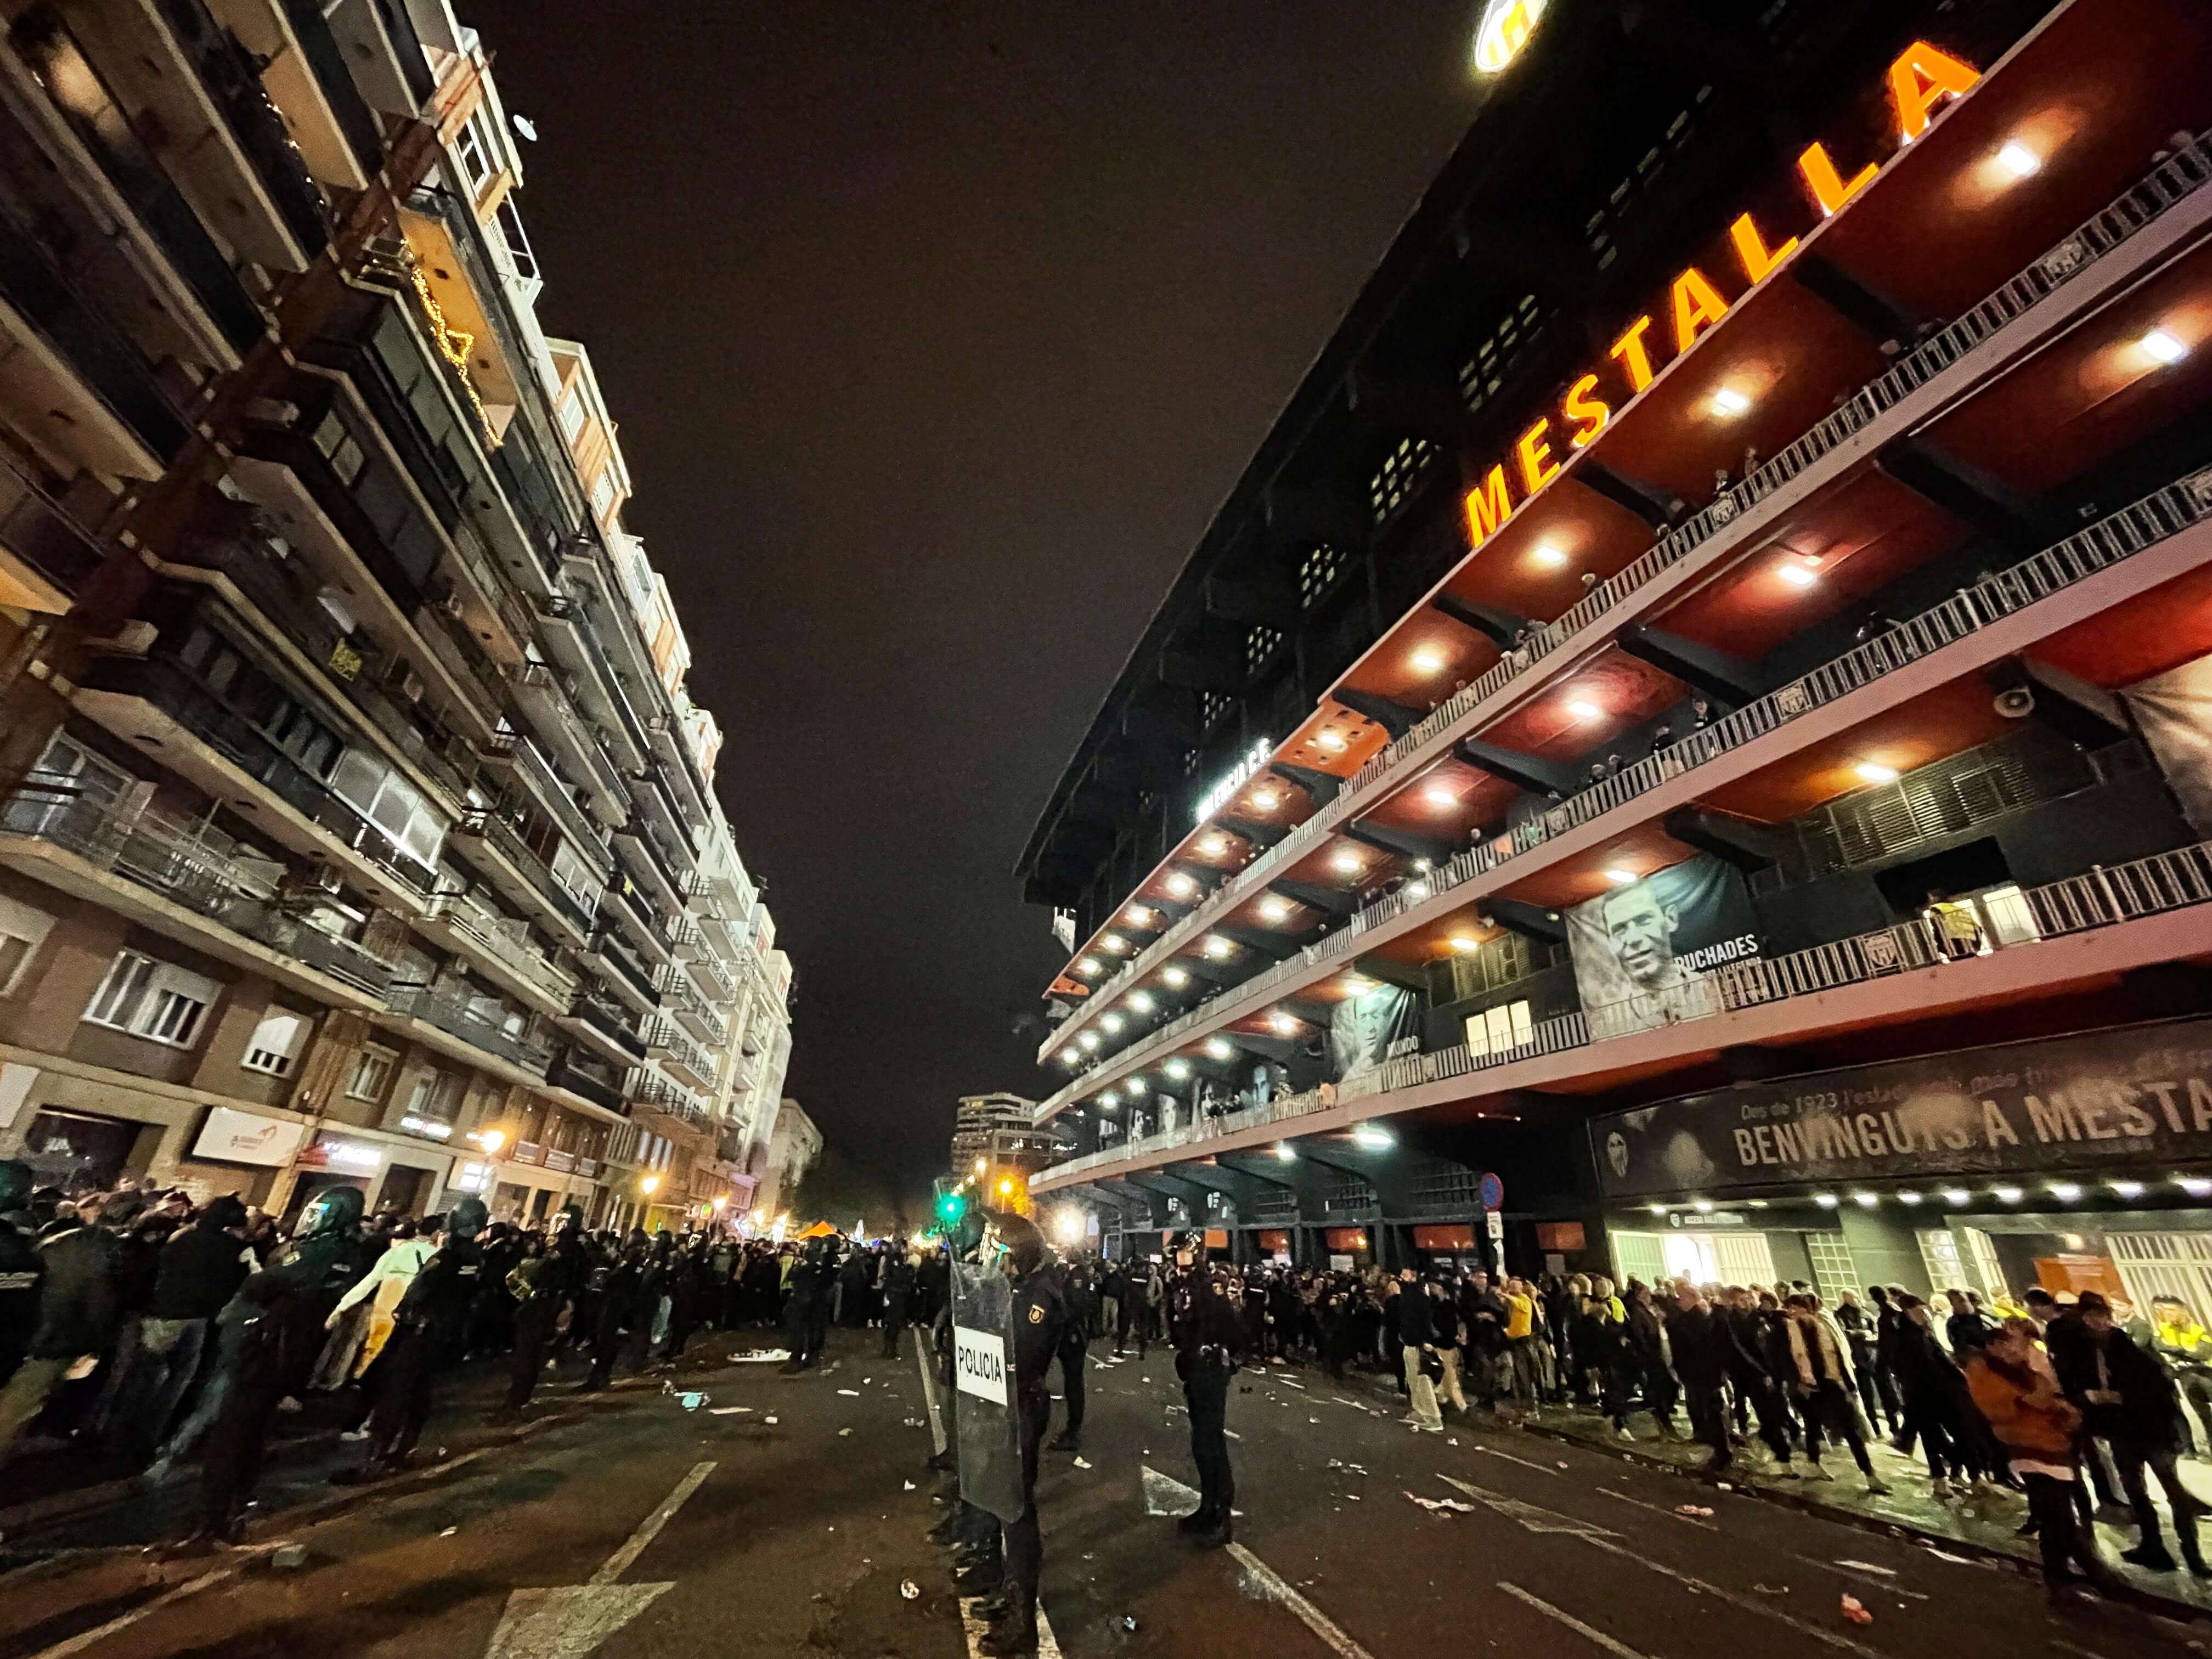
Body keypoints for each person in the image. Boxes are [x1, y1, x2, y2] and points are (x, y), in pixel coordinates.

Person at [1967, 1317, 2124, 1602]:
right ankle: (2088, 1572)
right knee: (2058, 1514)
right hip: (2027, 1448)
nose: (2013, 1349)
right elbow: (2017, 1404)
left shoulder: (2020, 1369)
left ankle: (2061, 1575)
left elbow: (2046, 1397)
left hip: (2050, 1445)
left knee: (2053, 1514)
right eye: (2007, 1344)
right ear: (1992, 1346)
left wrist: (2063, 1408)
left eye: (2015, 1343)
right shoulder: (1985, 1370)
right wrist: (2046, 1395)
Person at [332, 1200, 488, 1484]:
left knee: (395, 1391)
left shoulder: (450, 1256)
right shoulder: (476, 1257)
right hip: (441, 1335)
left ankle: (378, 1458)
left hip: (419, 1331)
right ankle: (404, 1449)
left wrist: (404, 1310)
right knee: (419, 1393)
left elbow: (422, 1289)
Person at [2057, 1292, 2207, 1575]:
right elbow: (2075, 1388)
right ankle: (2154, 1547)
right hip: (2122, 1432)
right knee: (2137, 1491)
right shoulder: (2083, 1353)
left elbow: (2157, 1388)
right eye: (2091, 1320)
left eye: (2101, 1318)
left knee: (2172, 1491)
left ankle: (2192, 1556)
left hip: (2150, 1430)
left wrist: (2121, 1397)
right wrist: (2091, 1398)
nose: (2097, 1325)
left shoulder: (2129, 1349)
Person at [978, 1214, 1063, 1657]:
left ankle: (1023, 1620)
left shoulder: (1040, 1297)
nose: (998, 1260)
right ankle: (1007, 1591)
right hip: (1005, 1407)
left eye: (1004, 1253)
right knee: (1002, 1502)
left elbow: (1020, 1356)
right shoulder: (1016, 1290)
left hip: (1024, 1410)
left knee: (1018, 1511)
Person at [0, 1188, 119, 1459]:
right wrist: (94, 1346)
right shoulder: (97, 1259)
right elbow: (98, 1308)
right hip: (49, 1343)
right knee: (13, 1410)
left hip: (28, 1338)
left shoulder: (48, 1246)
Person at [188, 1271, 288, 1548]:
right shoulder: (247, 1321)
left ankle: (229, 1514)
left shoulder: (253, 1316)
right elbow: (244, 1364)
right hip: (241, 1397)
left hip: (251, 1398)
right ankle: (212, 1523)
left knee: (243, 1455)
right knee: (227, 1456)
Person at [1394, 1267, 1443, 1431]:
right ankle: (1419, 1411)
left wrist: (1427, 1341)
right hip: (1409, 1342)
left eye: (1405, 1275)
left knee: (1422, 1381)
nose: (1401, 1277)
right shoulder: (1408, 1295)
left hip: (1418, 1344)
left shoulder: (1420, 1297)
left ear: (1413, 1277)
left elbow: (1425, 1320)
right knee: (1413, 1380)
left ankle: (1433, 1417)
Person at [882, 1245, 916, 1359]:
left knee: (893, 1325)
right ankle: (890, 1350)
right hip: (896, 1298)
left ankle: (890, 1349)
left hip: (895, 1297)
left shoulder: (894, 1266)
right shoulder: (897, 1268)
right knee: (894, 1325)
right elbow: (900, 1281)